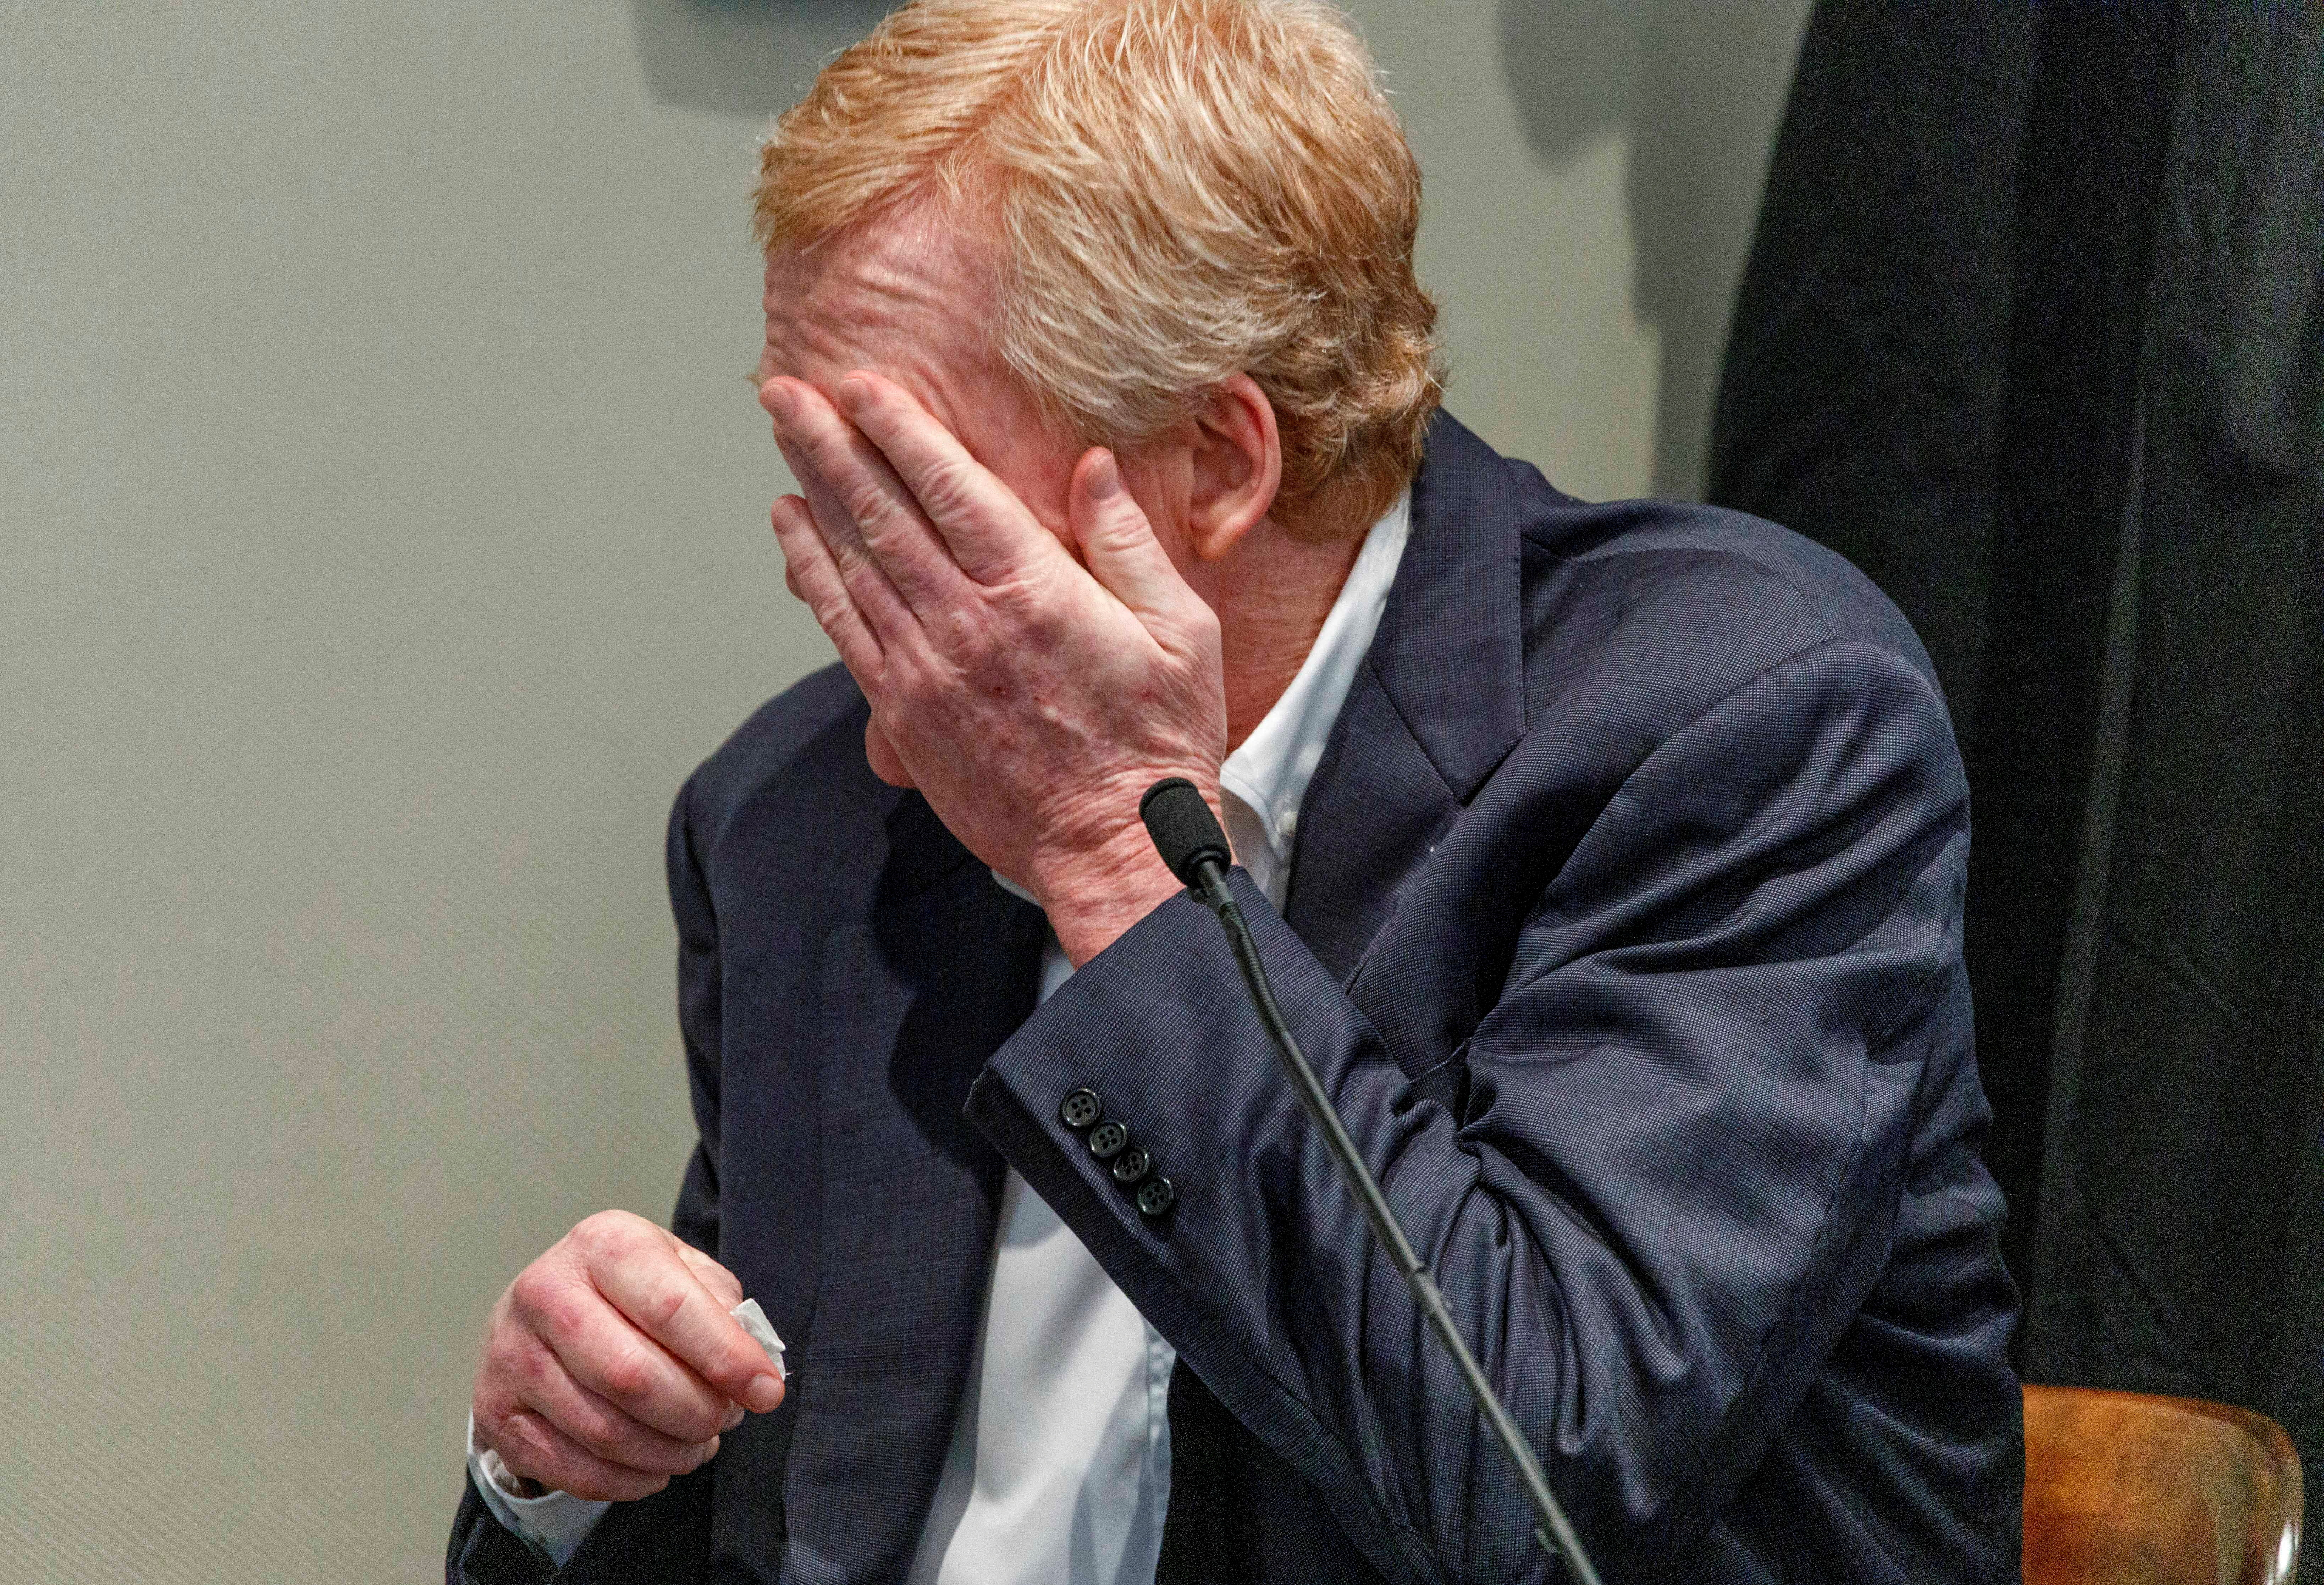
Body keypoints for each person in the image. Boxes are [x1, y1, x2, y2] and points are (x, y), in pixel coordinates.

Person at [448, 0, 2025, 1580]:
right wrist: (564, 1463)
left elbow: (1536, 1481)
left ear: (1216, 460)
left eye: (898, 479)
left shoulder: (1742, 725)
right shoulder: (799, 823)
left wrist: (1108, 860)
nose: (833, 568)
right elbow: (780, 1515)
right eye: (813, 476)